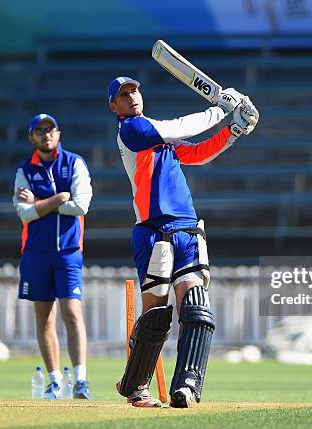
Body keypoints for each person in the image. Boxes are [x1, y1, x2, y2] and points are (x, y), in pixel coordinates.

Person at [108, 76, 259, 408]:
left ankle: (187, 386)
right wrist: (220, 109)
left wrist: (235, 130)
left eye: (134, 90)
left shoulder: (163, 141)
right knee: (156, 313)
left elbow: (200, 152)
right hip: (152, 230)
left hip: (187, 227)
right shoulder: (132, 131)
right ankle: (136, 386)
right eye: (123, 94)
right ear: (114, 106)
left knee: (195, 305)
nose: (131, 96)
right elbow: (177, 127)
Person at [13, 113, 93, 399]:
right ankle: (55, 381)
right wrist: (59, 198)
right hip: (35, 252)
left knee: (72, 312)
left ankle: (81, 380)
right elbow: (23, 212)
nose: (46, 134)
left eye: (50, 129)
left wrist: (41, 203)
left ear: (59, 133)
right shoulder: (25, 170)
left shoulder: (74, 163)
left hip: (69, 251)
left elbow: (81, 205)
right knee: (44, 316)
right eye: (39, 130)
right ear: (31, 137)